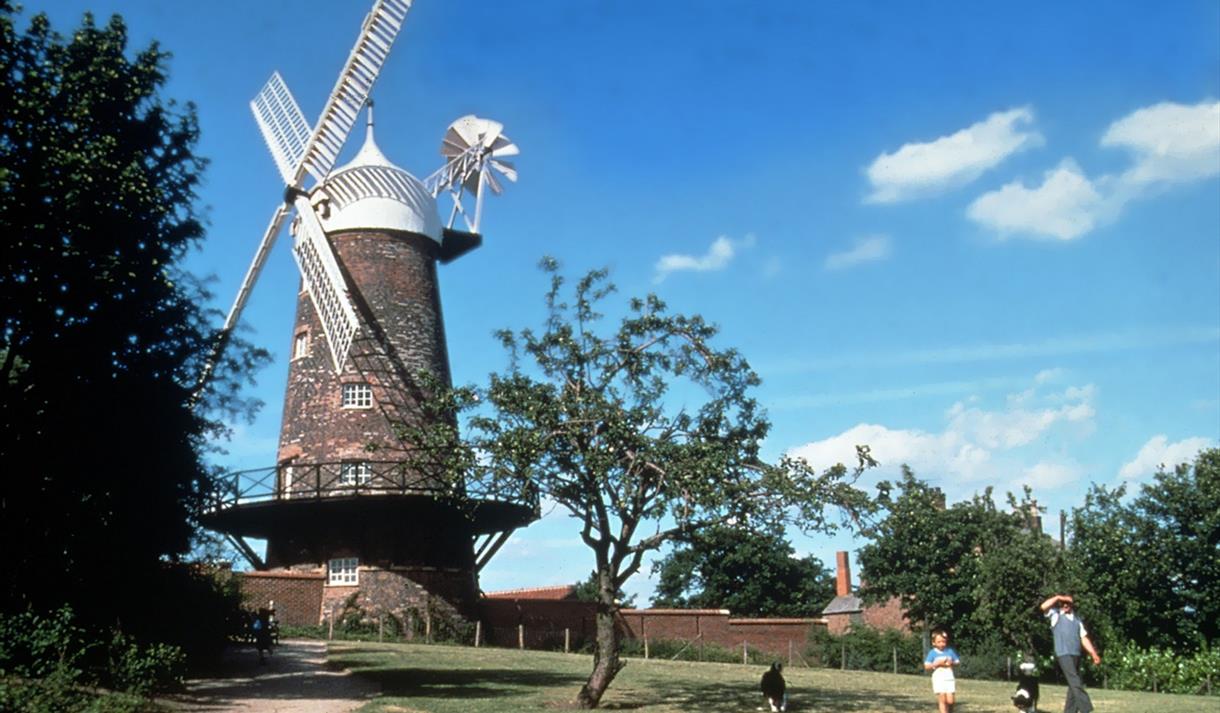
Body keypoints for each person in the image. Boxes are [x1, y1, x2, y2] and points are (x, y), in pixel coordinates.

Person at [1040, 593, 1101, 713]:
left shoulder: (1077, 620)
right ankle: (1086, 708)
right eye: (1062, 603)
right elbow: (1043, 607)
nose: (1065, 605)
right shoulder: (1055, 615)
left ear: (1072, 604)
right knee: (1075, 681)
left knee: (1073, 686)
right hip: (1063, 653)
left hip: (1076, 654)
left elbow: (1084, 638)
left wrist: (1094, 654)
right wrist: (1058, 597)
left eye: (1067, 603)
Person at [923, 629, 961, 713]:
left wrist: (952, 663)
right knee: (942, 699)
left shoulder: (949, 651)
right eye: (939, 642)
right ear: (934, 643)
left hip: (949, 677)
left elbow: (957, 662)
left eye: (943, 641)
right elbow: (926, 666)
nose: (941, 644)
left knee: (950, 701)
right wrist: (937, 664)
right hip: (938, 678)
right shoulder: (932, 653)